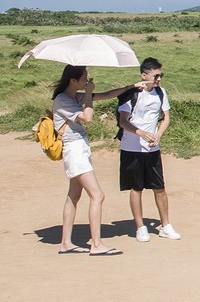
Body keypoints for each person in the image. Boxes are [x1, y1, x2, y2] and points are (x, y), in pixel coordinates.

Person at [53, 65, 144, 256]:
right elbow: (87, 117)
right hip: (75, 150)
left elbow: (107, 95)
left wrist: (131, 86)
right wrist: (88, 93)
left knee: (74, 196)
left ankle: (66, 243)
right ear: (73, 80)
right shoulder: (62, 100)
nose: (87, 81)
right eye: (84, 78)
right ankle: (96, 244)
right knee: (98, 195)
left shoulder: (73, 97)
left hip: (79, 149)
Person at [117, 57, 180, 242]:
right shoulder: (131, 94)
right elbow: (123, 121)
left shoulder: (161, 92)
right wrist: (140, 133)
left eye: (161, 75)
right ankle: (140, 227)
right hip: (131, 148)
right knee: (136, 188)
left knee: (159, 188)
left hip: (153, 149)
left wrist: (158, 135)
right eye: (155, 75)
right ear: (144, 75)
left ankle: (165, 225)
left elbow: (166, 117)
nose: (159, 79)